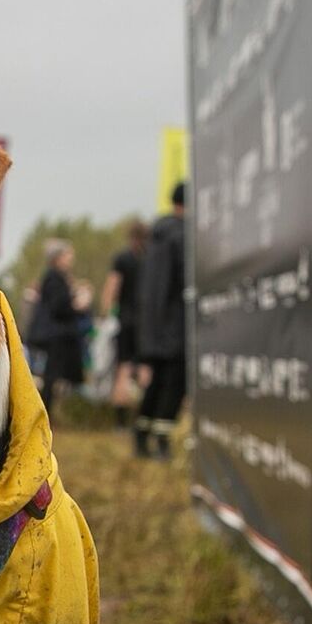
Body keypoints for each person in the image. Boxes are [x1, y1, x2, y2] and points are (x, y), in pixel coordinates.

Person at [134, 182, 189, 459]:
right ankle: (162, 441)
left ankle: (141, 436)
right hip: (176, 326)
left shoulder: (157, 235)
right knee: (174, 385)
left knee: (155, 384)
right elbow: (185, 280)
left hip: (154, 326)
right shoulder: (181, 236)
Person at [26, 239, 86, 412]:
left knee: (52, 377)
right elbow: (58, 306)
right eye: (67, 255)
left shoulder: (55, 277)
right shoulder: (54, 278)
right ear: (58, 258)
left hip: (56, 334)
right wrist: (76, 306)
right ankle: (45, 411)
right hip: (56, 335)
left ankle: (47, 411)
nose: (70, 259)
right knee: (51, 377)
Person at [101, 219, 149, 425]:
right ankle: (144, 416)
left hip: (126, 321)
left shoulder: (122, 259)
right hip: (146, 322)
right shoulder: (149, 260)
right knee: (145, 369)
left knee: (123, 367)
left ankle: (120, 420)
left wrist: (105, 314)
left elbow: (112, 288)